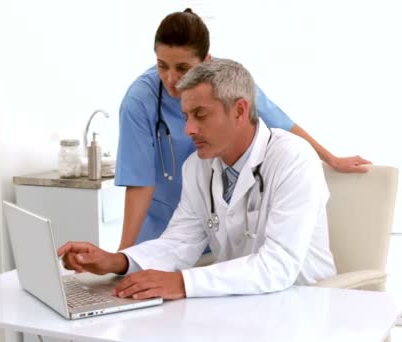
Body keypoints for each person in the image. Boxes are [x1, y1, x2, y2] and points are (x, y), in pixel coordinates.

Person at [60, 58, 336, 299]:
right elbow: (179, 243)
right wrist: (116, 261)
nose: (189, 129)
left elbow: (278, 266)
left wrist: (183, 282)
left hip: (303, 303)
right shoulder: (198, 167)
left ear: (240, 110)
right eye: (186, 116)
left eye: (200, 115)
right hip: (241, 303)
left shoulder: (293, 158)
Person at [115, 9, 370, 250]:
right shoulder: (140, 100)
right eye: (162, 65)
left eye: (183, 68)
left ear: (206, 60)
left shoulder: (228, 83)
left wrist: (331, 159)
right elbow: (140, 182)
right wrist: (122, 254)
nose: (170, 79)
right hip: (166, 229)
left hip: (221, 223)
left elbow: (281, 123)